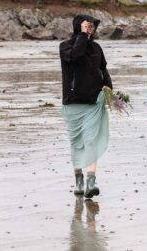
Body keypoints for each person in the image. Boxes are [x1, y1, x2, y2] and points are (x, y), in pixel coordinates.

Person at [60, 14, 112, 198]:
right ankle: (79, 181)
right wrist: (82, 36)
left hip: (93, 101)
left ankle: (91, 181)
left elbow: (103, 69)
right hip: (73, 101)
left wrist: (108, 89)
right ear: (78, 27)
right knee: (77, 142)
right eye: (87, 26)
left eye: (92, 27)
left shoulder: (97, 47)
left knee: (91, 140)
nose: (91, 30)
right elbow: (76, 56)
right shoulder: (65, 46)